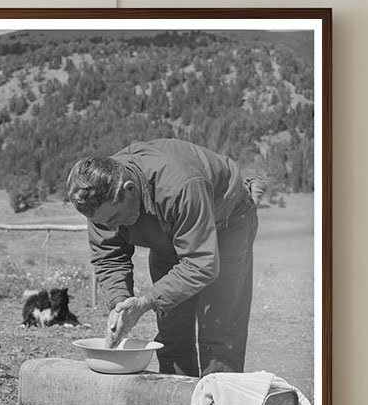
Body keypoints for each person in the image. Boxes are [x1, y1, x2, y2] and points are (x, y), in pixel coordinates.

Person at [66, 138, 264, 378]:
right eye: (103, 223)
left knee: (219, 332)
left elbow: (201, 263)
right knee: (172, 331)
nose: (111, 228)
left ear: (130, 189)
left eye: (115, 218)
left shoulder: (179, 185)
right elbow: (109, 258)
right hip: (170, 234)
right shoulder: (97, 197)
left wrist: (147, 300)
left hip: (227, 223)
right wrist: (120, 304)